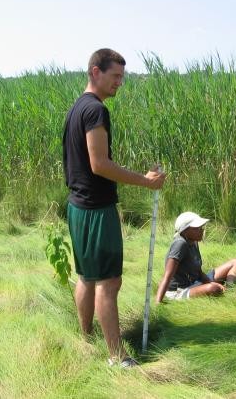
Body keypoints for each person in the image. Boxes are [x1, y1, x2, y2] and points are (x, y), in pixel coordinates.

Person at [62, 48, 166, 367]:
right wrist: (146, 181)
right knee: (109, 282)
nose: (119, 83)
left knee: (87, 277)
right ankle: (116, 356)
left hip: (78, 207)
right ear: (96, 72)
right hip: (95, 210)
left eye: (121, 76)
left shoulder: (76, 108)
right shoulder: (95, 111)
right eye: (115, 76)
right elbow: (99, 164)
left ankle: (85, 337)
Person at [155, 212, 236, 303]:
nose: (201, 230)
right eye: (197, 228)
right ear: (185, 231)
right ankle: (222, 291)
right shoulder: (180, 244)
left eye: (201, 227)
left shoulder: (194, 242)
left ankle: (230, 291)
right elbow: (167, 275)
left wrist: (209, 282)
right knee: (213, 289)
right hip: (179, 291)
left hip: (195, 282)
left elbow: (198, 272)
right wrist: (158, 303)